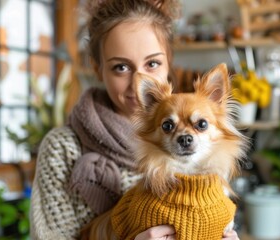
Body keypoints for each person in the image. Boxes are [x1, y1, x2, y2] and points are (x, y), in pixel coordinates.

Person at [30, 0, 240, 239]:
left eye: (152, 63)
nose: (137, 81)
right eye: (120, 67)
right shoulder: (61, 148)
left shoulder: (207, 160)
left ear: (169, 61)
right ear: (98, 69)